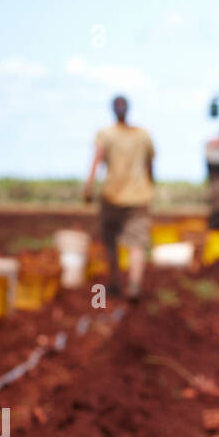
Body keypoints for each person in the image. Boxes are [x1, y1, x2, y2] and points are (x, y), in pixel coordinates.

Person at [84, 96, 155, 301]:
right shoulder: (143, 136)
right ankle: (134, 285)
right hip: (138, 196)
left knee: (111, 240)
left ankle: (115, 282)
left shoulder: (105, 134)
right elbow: (150, 165)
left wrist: (88, 188)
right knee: (137, 243)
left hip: (111, 195)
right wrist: (149, 185)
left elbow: (96, 161)